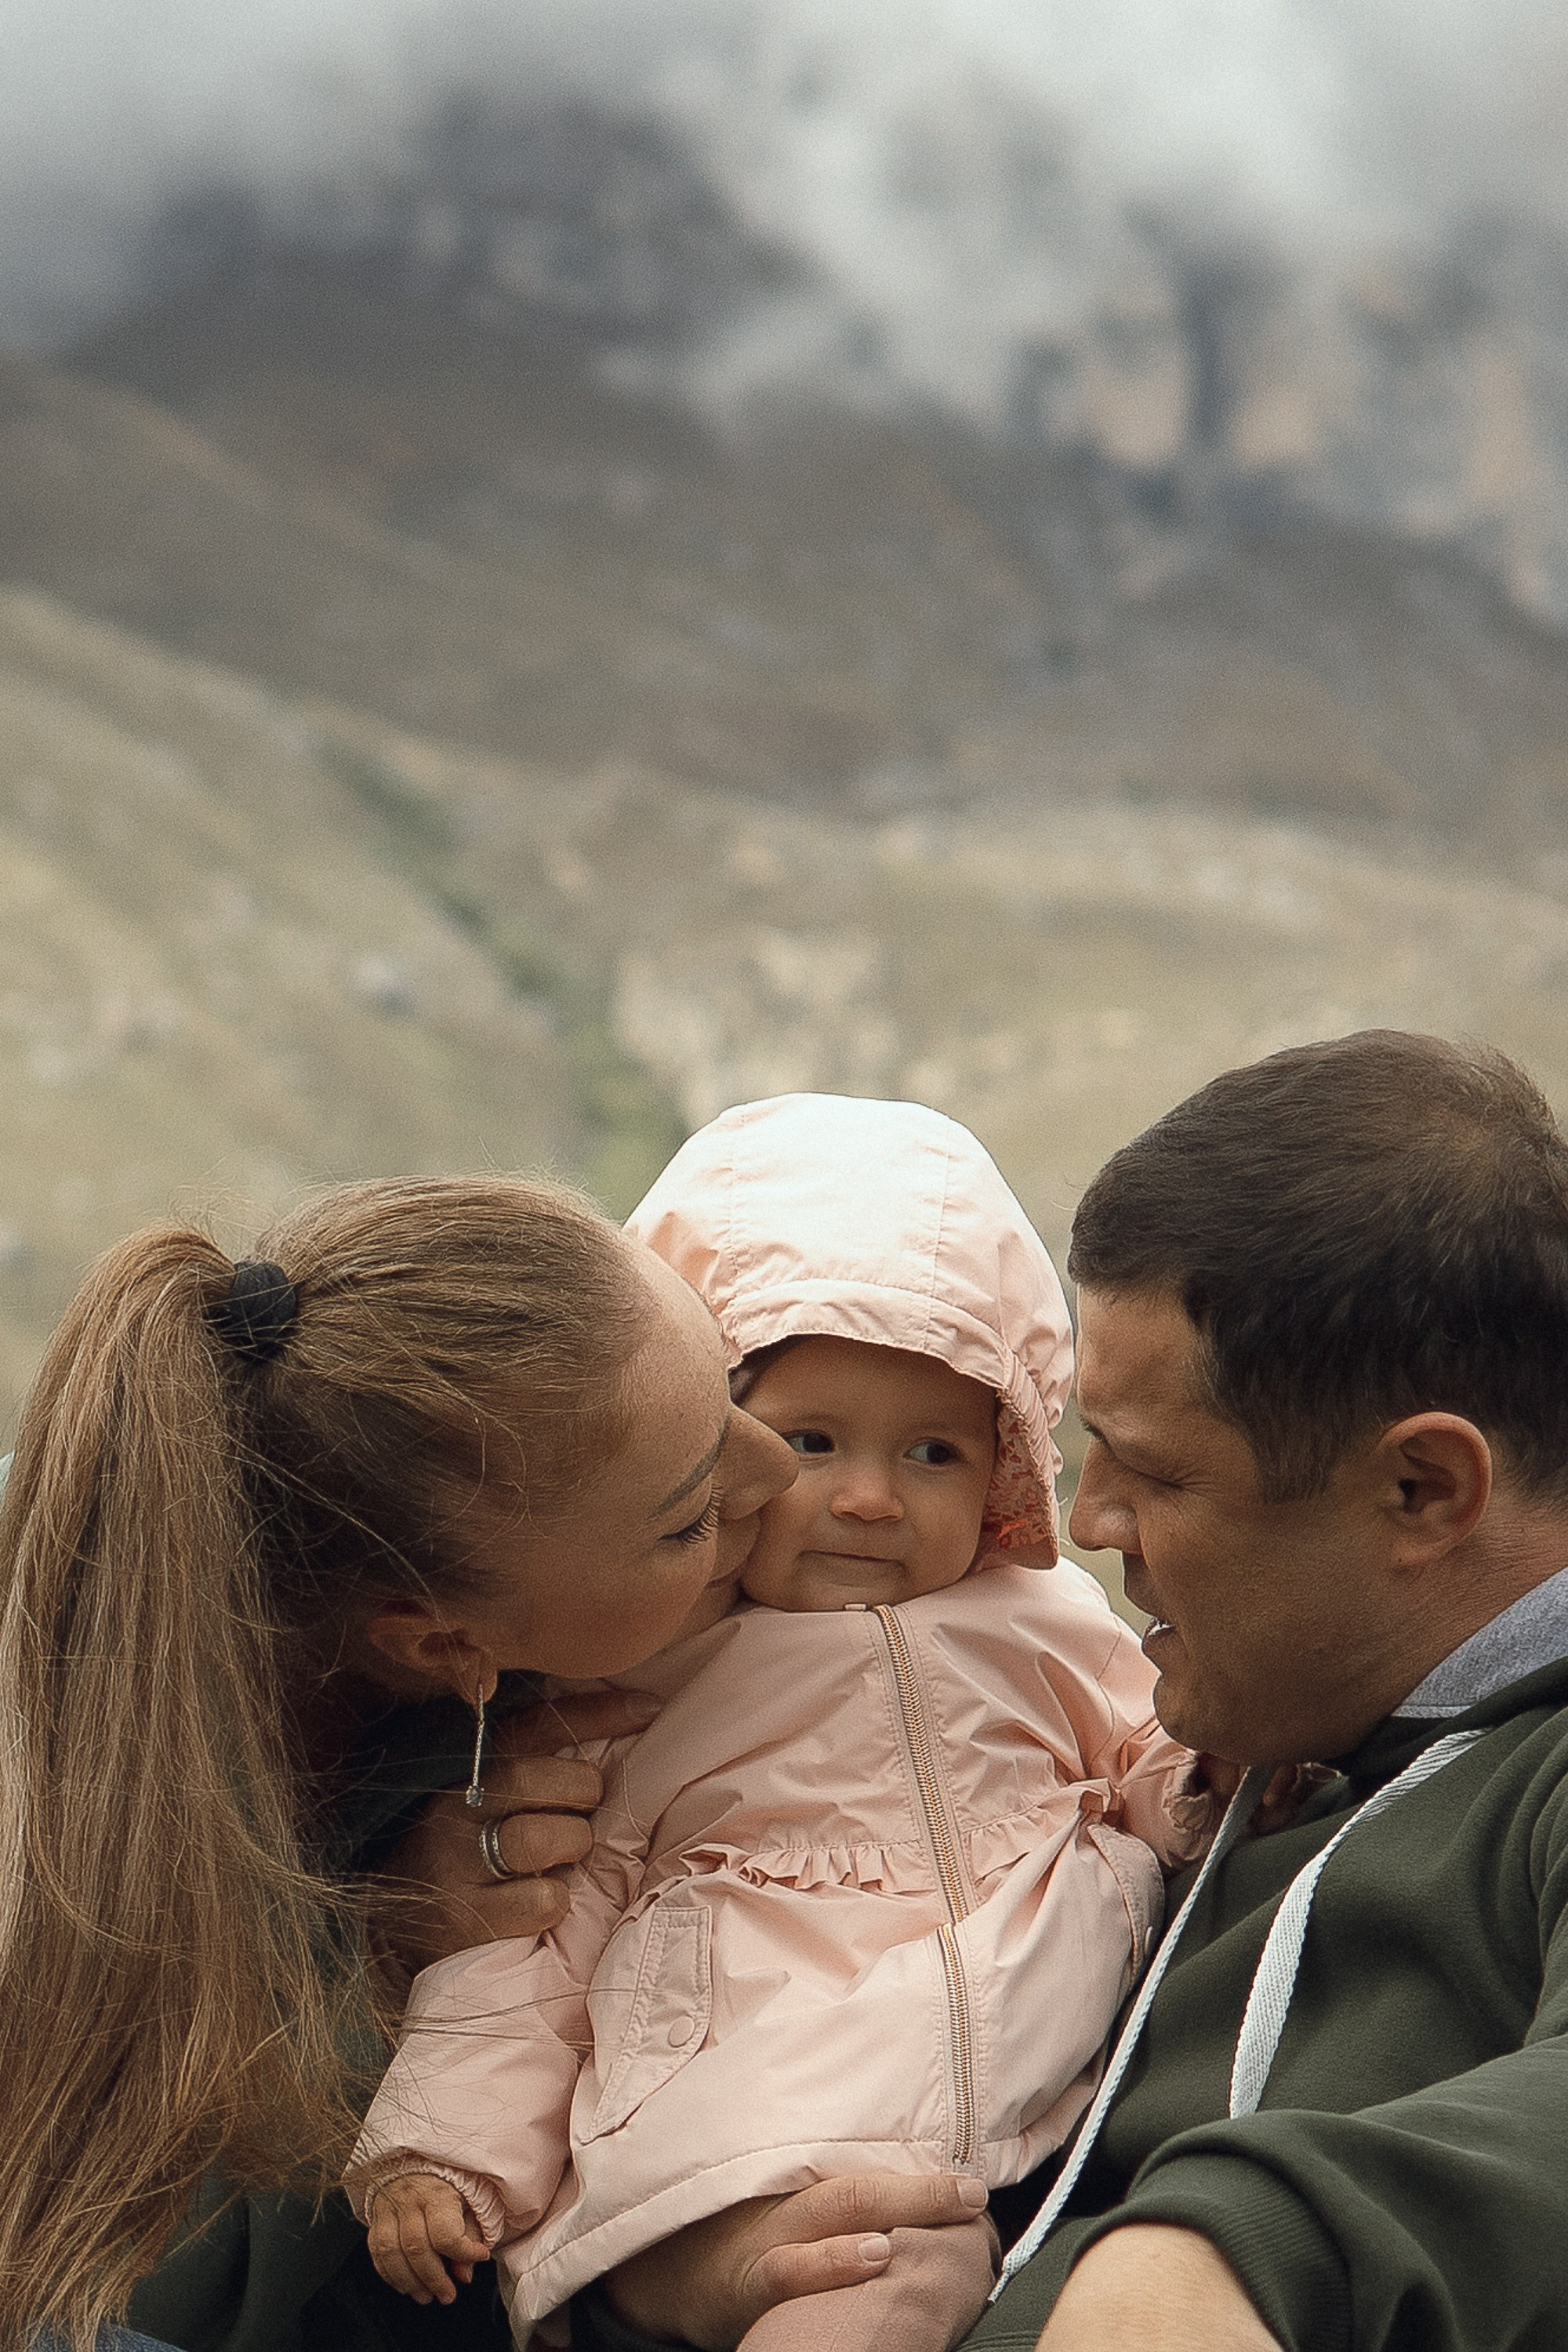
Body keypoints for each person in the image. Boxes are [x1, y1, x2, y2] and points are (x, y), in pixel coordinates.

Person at [571, 1032, 1568, 2352]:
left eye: (1153, 1471)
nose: (1086, 1523)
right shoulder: (1246, 1739)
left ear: (1421, 1490)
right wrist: (686, 2272)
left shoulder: (1534, 1781)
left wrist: (1228, 2251)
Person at [346, 1094, 1210, 2350]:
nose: (868, 1498)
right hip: (733, 2124)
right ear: (706, 1442)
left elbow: (1159, 1757)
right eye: (809, 1441)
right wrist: (445, 2147)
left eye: (932, 1454)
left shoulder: (1047, 1622)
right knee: (879, 2279)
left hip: (1028, 2086)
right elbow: (532, 1940)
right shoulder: (642, 1673)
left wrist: (1197, 1791)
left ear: (1009, 1462)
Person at [0, 1174, 799, 2352]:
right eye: (689, 1518)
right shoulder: (59, 1806)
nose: (780, 1472)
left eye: (732, 1391)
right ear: (438, 1645)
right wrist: (383, 1959)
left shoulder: (444, 1517)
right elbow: (96, 2281)